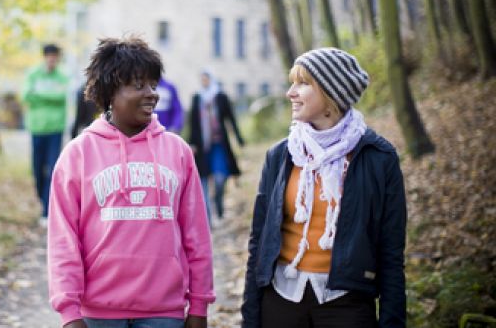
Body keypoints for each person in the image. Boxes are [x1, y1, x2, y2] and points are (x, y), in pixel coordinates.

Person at [47, 36, 214, 328]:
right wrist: (69, 314)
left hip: (164, 310)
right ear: (110, 92)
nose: (151, 94)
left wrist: (199, 305)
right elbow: (63, 241)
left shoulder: (178, 152)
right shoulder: (78, 154)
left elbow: (197, 235)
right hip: (98, 312)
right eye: (139, 85)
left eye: (153, 84)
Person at [241, 48, 406, 327]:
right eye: (292, 82)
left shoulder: (378, 158)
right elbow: (259, 243)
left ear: (332, 95)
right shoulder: (281, 155)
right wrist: (250, 317)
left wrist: (392, 322)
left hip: (346, 304)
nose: (290, 93)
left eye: (303, 83)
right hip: (280, 301)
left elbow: (391, 252)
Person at [188, 71, 245, 224]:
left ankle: (219, 207)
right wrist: (191, 143)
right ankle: (208, 218)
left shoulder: (220, 97)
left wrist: (239, 138)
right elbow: (192, 123)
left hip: (219, 145)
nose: (204, 82)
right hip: (202, 147)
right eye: (202, 80)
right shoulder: (197, 98)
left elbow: (230, 119)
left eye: (207, 79)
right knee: (204, 182)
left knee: (220, 179)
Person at [22, 43, 69, 225]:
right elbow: (26, 95)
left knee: (52, 169)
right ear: (44, 57)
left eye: (54, 56)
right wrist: (51, 95)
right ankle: (42, 199)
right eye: (49, 56)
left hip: (55, 129)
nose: (52, 59)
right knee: (36, 168)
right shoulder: (33, 74)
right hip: (36, 128)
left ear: (57, 58)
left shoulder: (62, 76)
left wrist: (39, 94)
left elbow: (62, 97)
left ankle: (47, 210)